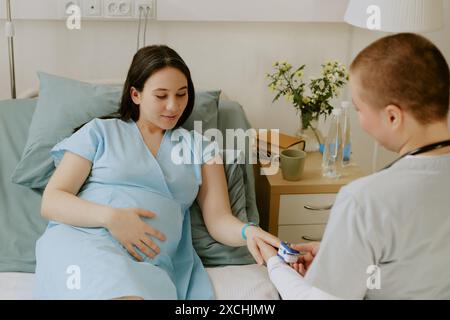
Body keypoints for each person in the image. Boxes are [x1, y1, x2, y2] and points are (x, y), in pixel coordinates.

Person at [34, 45, 279, 300]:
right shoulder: (99, 133)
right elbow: (52, 200)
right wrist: (112, 217)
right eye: (161, 96)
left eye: (181, 94)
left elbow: (218, 220)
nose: (173, 106)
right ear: (136, 95)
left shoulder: (201, 147)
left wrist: (248, 232)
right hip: (82, 243)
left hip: (151, 259)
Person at [256, 33, 450, 300]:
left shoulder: (364, 200)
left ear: (392, 116)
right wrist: (342, 255)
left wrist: (275, 264)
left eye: (358, 109)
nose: (359, 120)